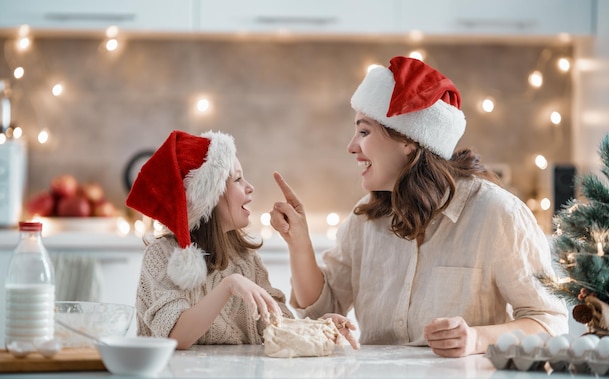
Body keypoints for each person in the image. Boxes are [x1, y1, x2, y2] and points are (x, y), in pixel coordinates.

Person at [269, 56, 569, 357]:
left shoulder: (497, 214)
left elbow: (550, 322)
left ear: (409, 142)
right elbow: (321, 308)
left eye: (364, 131)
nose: (351, 146)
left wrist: (477, 339)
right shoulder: (365, 218)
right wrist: (299, 243)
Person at [126, 130, 294, 349]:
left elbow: (277, 326)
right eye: (238, 179)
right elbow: (175, 337)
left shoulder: (246, 259)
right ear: (209, 197)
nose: (250, 186)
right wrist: (228, 286)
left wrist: (322, 328)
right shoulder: (161, 256)